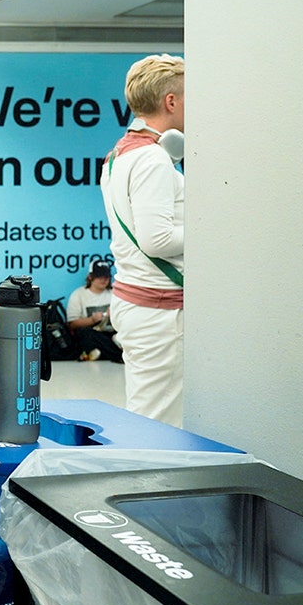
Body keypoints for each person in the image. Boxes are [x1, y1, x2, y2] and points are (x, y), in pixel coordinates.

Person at [100, 54, 185, 426]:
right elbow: (158, 240)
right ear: (171, 101)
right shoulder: (152, 160)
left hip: (142, 304)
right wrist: (217, 231)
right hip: (161, 312)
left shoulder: (119, 154)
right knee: (159, 424)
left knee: (152, 416)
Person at [66, 259, 123, 363]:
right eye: (99, 276)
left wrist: (115, 315)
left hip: (113, 333)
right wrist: (91, 320)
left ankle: (99, 352)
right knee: (85, 334)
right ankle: (117, 354)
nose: (103, 280)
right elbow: (72, 324)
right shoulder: (78, 294)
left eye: (106, 276)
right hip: (93, 334)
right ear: (90, 277)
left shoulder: (115, 293)